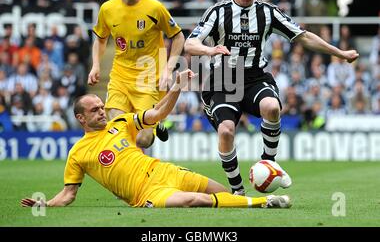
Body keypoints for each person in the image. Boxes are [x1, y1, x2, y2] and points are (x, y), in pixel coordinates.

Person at [184, 0, 359, 195]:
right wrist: (209, 50)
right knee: (226, 131)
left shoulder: (267, 12)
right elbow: (190, 43)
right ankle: (237, 190)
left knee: (272, 107)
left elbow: (303, 36)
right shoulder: (218, 12)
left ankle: (269, 163)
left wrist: (340, 53)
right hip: (224, 79)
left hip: (255, 76)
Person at [20, 69, 291, 209]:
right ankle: (264, 203)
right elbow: (69, 194)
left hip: (165, 170)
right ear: (81, 119)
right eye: (95, 110)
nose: (102, 112)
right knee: (195, 201)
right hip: (146, 193)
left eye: (102, 107)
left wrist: (175, 86)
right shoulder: (78, 153)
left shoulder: (121, 122)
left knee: (223, 195)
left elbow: (159, 112)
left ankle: (247, 201)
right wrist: (46, 204)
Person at [87, 0, 185, 149]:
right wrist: (96, 65)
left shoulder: (154, 8)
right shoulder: (107, 9)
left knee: (142, 140)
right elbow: (100, 39)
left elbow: (178, 37)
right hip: (120, 77)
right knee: (118, 130)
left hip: (148, 79)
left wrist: (168, 69)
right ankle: (131, 175)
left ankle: (154, 128)